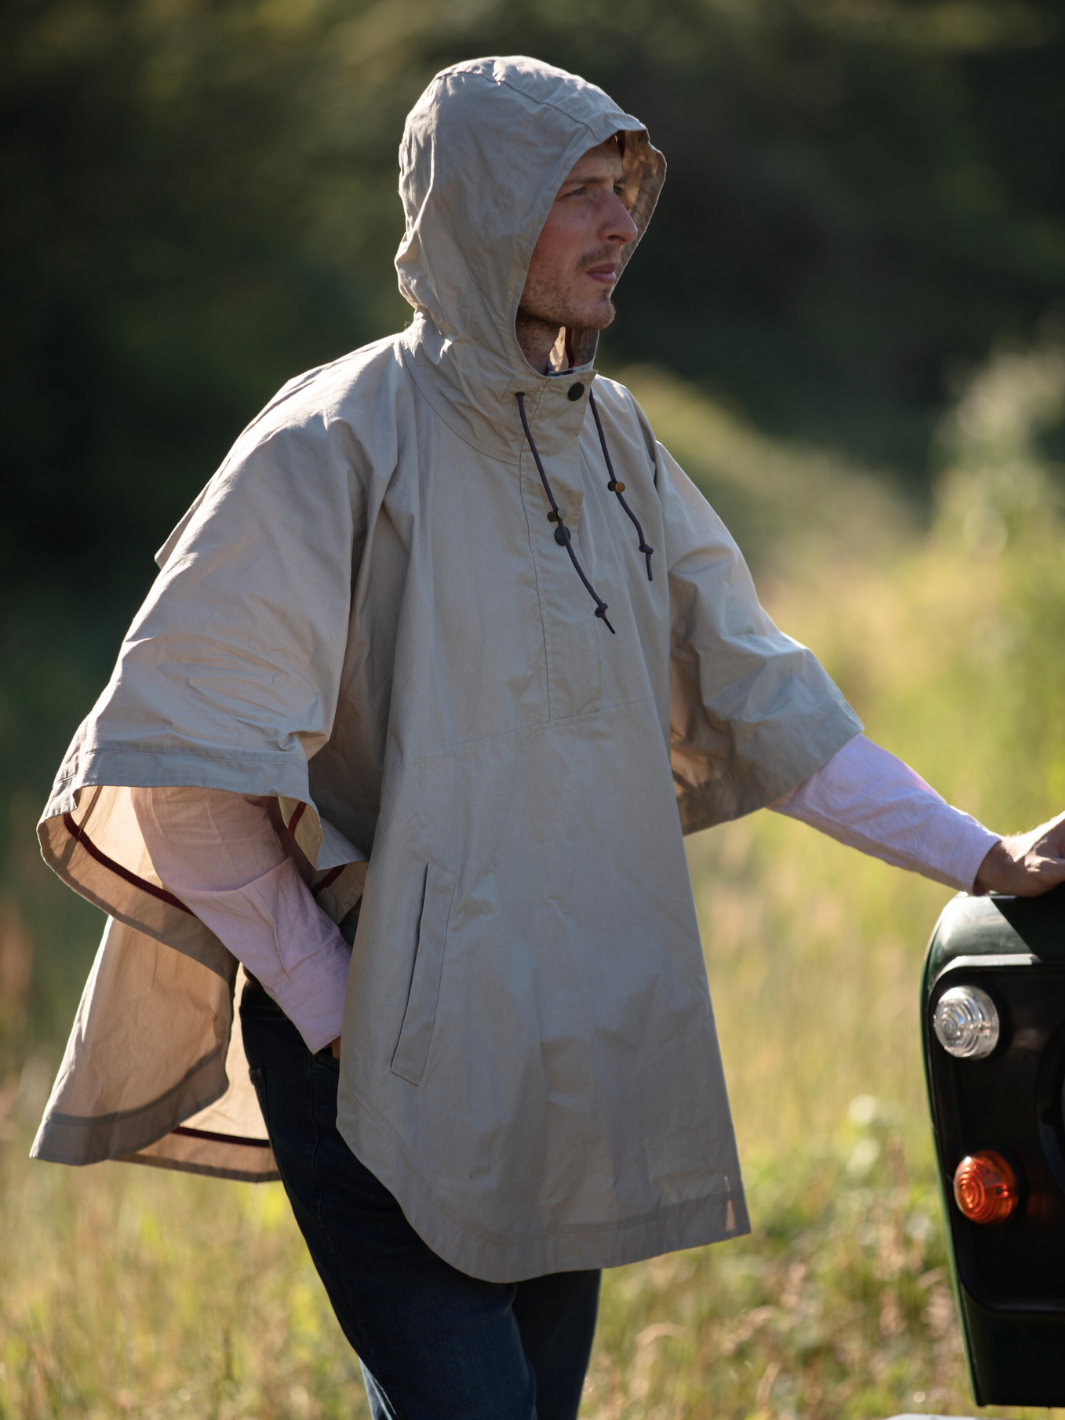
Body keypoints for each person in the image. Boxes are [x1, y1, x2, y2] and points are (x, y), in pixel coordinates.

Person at [32, 55, 1065, 1420]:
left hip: (571, 1034)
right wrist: (342, 1019)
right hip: (385, 1047)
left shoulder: (614, 439)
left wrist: (981, 859)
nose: (621, 223)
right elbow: (181, 774)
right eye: (578, 192)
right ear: (483, 207)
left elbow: (770, 704)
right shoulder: (330, 442)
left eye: (622, 189)